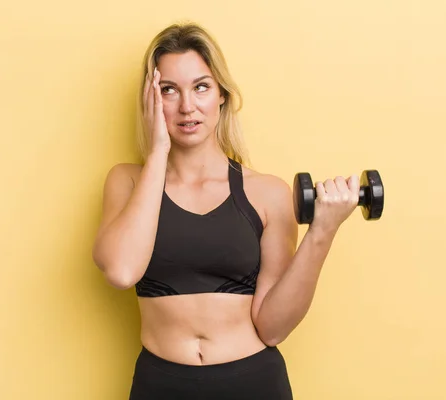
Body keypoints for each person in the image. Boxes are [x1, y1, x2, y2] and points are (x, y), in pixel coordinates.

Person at [92, 21, 360, 400]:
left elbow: (273, 328)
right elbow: (121, 271)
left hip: (253, 382)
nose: (188, 106)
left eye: (201, 86)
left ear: (221, 94)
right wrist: (158, 153)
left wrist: (323, 231)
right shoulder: (128, 182)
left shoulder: (267, 193)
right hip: (161, 384)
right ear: (151, 100)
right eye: (169, 90)